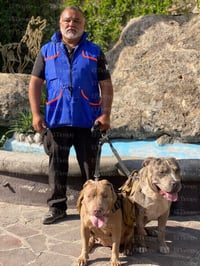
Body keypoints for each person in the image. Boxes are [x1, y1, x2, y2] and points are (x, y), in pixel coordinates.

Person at [28, 6, 113, 224]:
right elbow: (35, 83)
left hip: (88, 120)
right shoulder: (47, 51)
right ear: (60, 23)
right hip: (57, 120)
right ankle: (57, 208)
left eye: (76, 21)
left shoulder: (94, 51)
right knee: (57, 165)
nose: (71, 24)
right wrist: (36, 114)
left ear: (83, 26)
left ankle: (94, 210)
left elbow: (106, 84)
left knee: (89, 167)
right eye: (67, 20)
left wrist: (105, 115)